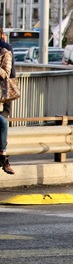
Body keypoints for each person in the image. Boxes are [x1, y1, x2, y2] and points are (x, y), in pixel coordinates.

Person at [0, 45, 13, 174]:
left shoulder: (5, 52)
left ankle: (3, 155)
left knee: (3, 123)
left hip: (2, 99)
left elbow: (6, 74)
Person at [0, 28, 15, 121]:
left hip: (4, 83)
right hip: (6, 84)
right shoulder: (6, 47)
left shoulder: (5, 50)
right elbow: (10, 71)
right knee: (5, 113)